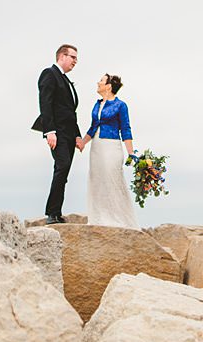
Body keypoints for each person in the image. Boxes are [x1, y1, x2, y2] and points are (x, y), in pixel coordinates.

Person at [31, 44, 81, 224]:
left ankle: (57, 212)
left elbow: (70, 112)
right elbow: (45, 102)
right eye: (73, 57)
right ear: (61, 56)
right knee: (62, 166)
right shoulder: (49, 74)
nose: (76, 61)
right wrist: (49, 131)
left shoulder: (67, 81)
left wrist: (77, 135)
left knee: (64, 171)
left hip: (69, 134)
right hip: (57, 133)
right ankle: (51, 213)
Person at [83, 73, 138, 229]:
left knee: (112, 178)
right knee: (97, 178)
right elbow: (93, 127)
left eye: (101, 81)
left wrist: (131, 153)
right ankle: (98, 217)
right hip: (96, 147)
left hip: (112, 146)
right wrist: (82, 143)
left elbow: (125, 129)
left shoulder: (121, 105)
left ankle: (119, 219)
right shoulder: (97, 104)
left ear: (108, 86)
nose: (98, 82)